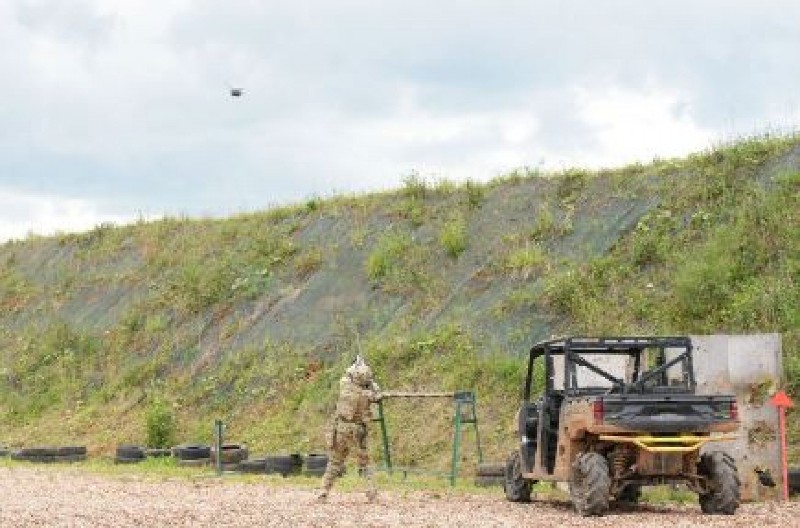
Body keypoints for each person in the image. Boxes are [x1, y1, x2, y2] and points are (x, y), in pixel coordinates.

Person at [318, 355, 382, 502]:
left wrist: (358, 365)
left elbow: (348, 375)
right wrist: (371, 381)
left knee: (335, 462)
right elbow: (378, 395)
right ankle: (371, 491)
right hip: (358, 430)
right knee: (365, 462)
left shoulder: (345, 385)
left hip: (341, 428)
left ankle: (324, 491)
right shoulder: (368, 394)